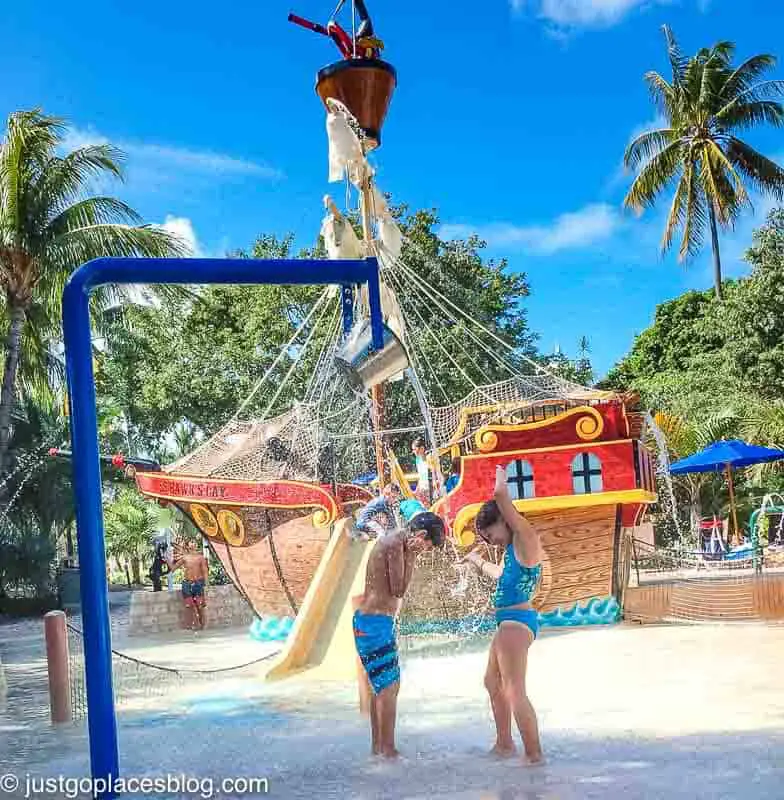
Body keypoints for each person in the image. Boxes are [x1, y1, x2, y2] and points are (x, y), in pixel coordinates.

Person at [463, 465, 544, 765]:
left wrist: (498, 471)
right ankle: (504, 744)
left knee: (514, 690)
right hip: (507, 624)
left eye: (490, 535)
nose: (490, 542)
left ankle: (534, 756)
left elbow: (499, 494)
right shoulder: (513, 550)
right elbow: (500, 574)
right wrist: (475, 560)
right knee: (492, 682)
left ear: (504, 520)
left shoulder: (525, 535)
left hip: (516, 623)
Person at [353, 511, 445, 758]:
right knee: (389, 688)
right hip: (375, 624)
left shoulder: (395, 542)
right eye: (427, 547)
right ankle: (388, 749)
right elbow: (399, 588)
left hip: (371, 622)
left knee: (379, 687)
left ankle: (378, 748)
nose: (424, 551)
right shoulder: (395, 543)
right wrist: (413, 557)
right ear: (422, 535)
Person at [168, 540, 209, 630]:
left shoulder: (200, 557)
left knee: (200, 605)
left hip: (198, 583)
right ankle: (195, 624)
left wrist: (207, 584)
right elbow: (173, 568)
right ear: (187, 545)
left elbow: (205, 571)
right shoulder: (184, 558)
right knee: (190, 605)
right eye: (191, 542)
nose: (193, 543)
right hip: (187, 584)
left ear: (196, 545)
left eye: (194, 542)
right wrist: (166, 558)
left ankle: (203, 625)